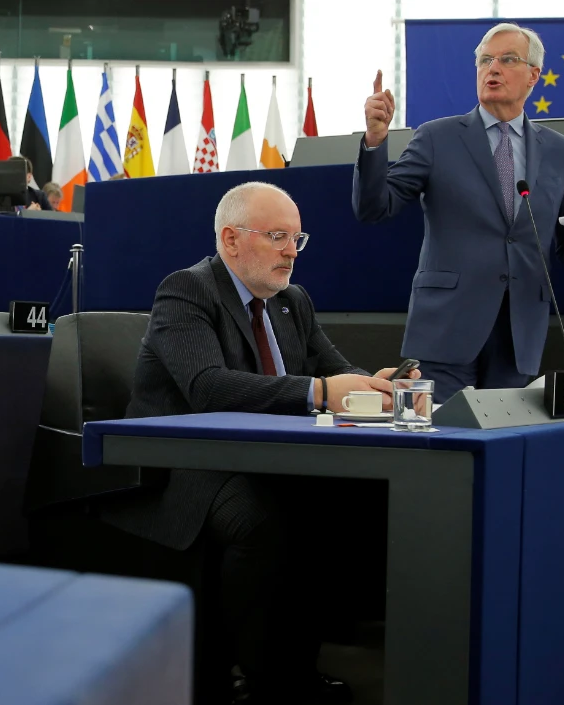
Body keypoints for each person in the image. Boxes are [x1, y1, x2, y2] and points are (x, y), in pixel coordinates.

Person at [100, 182, 416, 705]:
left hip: (264, 461)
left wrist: (374, 386)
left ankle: (296, 667)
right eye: (277, 237)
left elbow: (335, 369)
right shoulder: (187, 290)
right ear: (231, 239)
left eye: (297, 239)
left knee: (350, 504)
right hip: (181, 468)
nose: (292, 251)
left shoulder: (293, 302)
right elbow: (207, 388)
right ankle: (258, 678)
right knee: (265, 520)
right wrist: (321, 392)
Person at [353, 22, 564, 403]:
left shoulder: (560, 151)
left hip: (519, 334)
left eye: (508, 59)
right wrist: (375, 140)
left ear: (533, 75)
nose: (493, 68)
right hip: (446, 329)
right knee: (441, 432)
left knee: (505, 436)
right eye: (486, 60)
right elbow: (374, 207)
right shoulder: (436, 137)